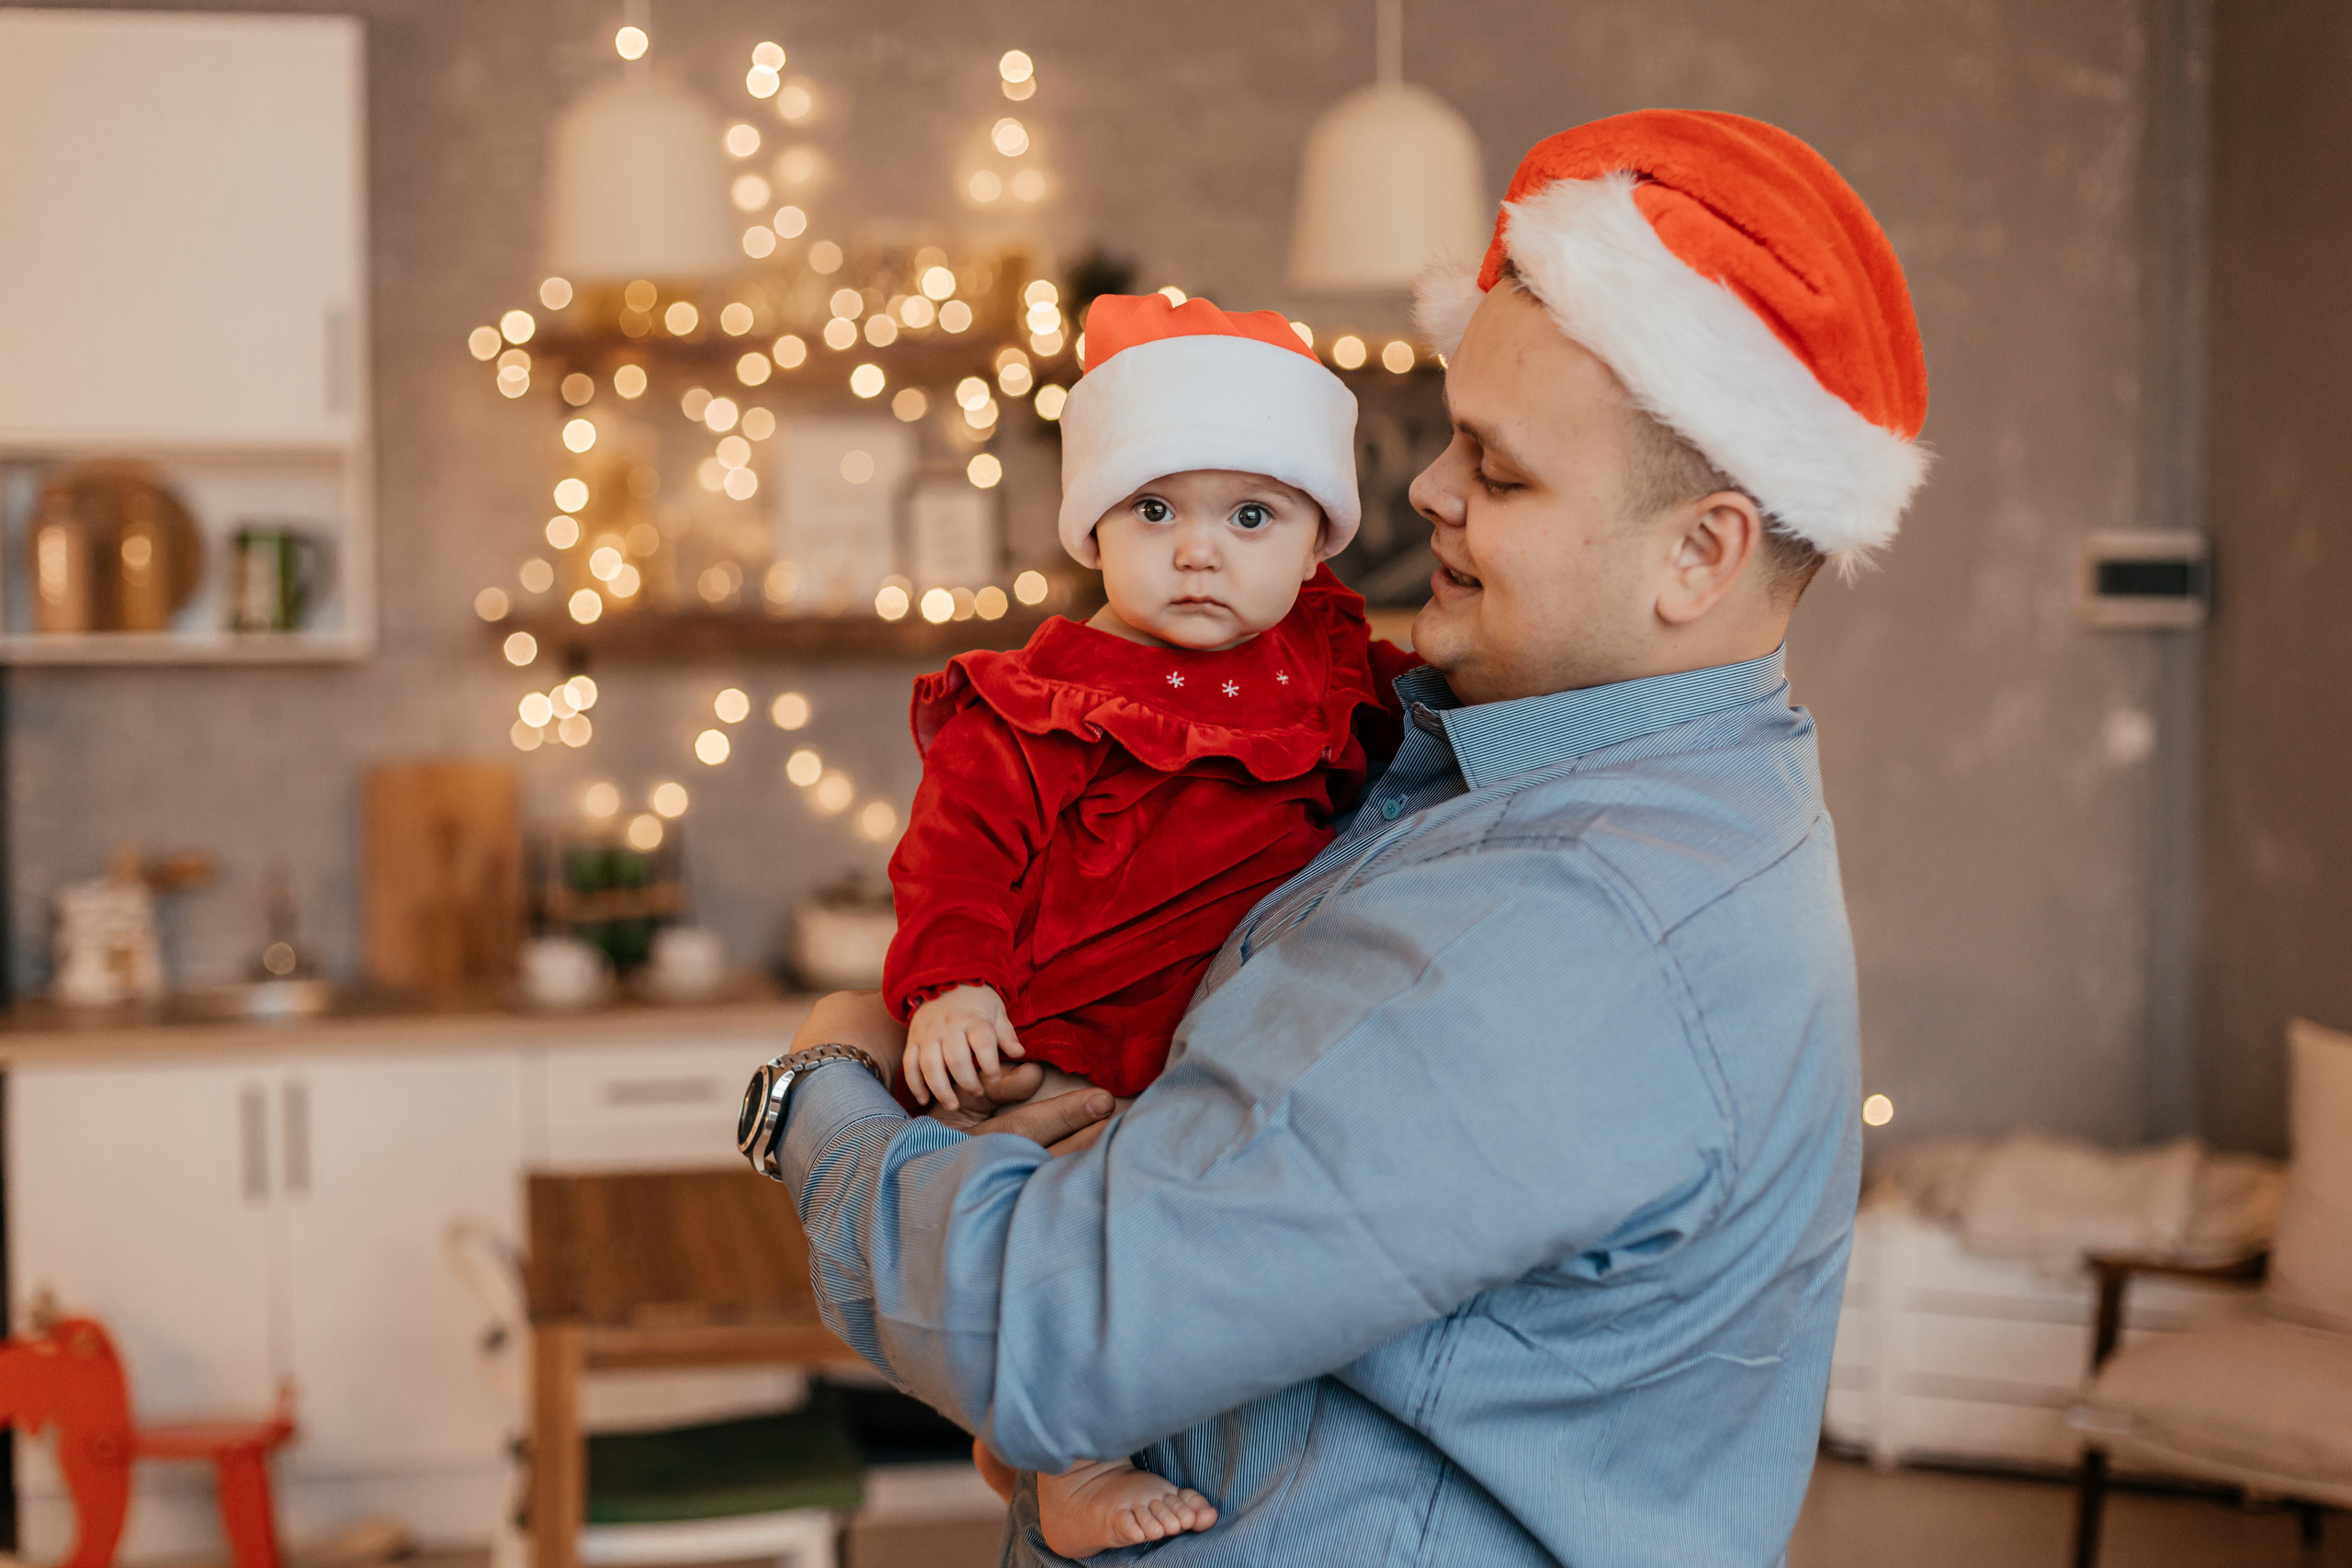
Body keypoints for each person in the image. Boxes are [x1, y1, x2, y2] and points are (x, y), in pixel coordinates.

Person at [745, 108, 1929, 1565]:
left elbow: (1056, 1323)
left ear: (1701, 553)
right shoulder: (1471, 759)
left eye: (1498, 473)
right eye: (1447, 441)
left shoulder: (1564, 917)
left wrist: (821, 1089)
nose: (1423, 490)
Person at [880, 291, 1414, 1553]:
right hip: (1074, 1043)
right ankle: (1067, 1460)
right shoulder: (1041, 703)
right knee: (1088, 1248)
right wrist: (952, 985)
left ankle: (1023, 1431)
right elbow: (953, 856)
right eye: (1155, 510)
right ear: (1096, 528)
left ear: (1315, 541)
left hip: (1220, 1045)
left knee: (1203, 1269)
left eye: (1251, 516)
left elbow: (1429, 743)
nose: (1198, 552)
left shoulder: (1334, 672)